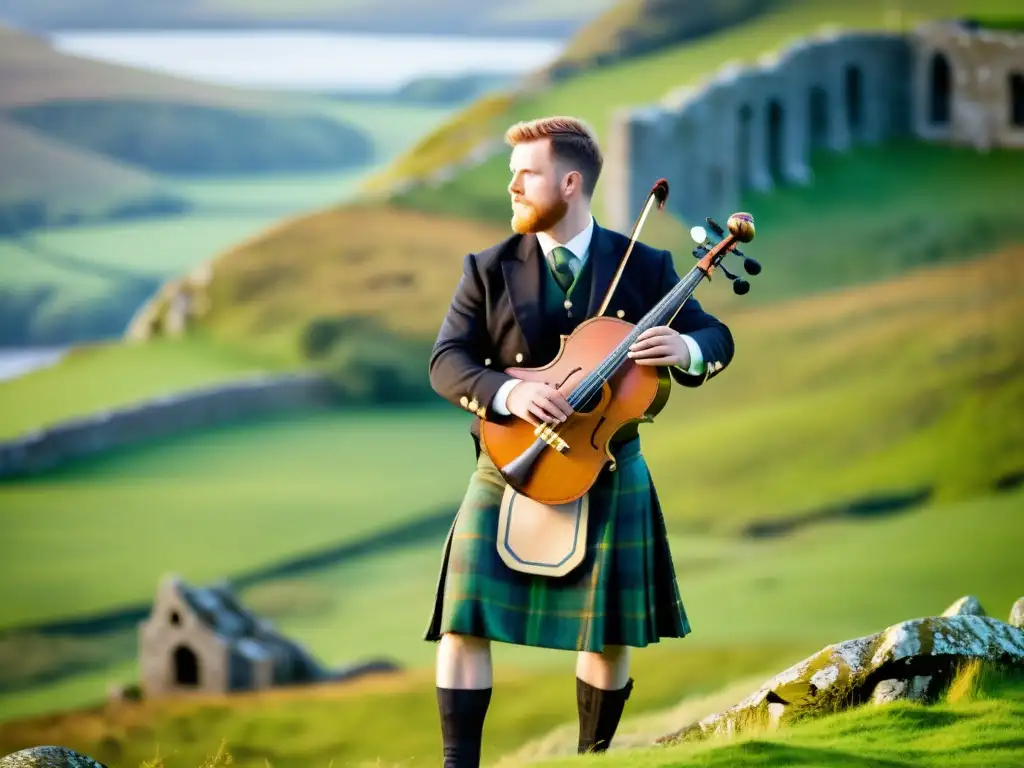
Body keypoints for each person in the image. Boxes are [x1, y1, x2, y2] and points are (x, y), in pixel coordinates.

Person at [424, 115, 734, 766]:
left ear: (570, 183)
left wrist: (685, 347)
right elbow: (447, 361)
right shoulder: (488, 269)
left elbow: (718, 339)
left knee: (606, 635)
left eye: (526, 175)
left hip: (609, 468)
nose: (512, 187)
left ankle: (593, 758)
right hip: (509, 460)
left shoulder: (646, 266)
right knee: (463, 621)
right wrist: (509, 393)